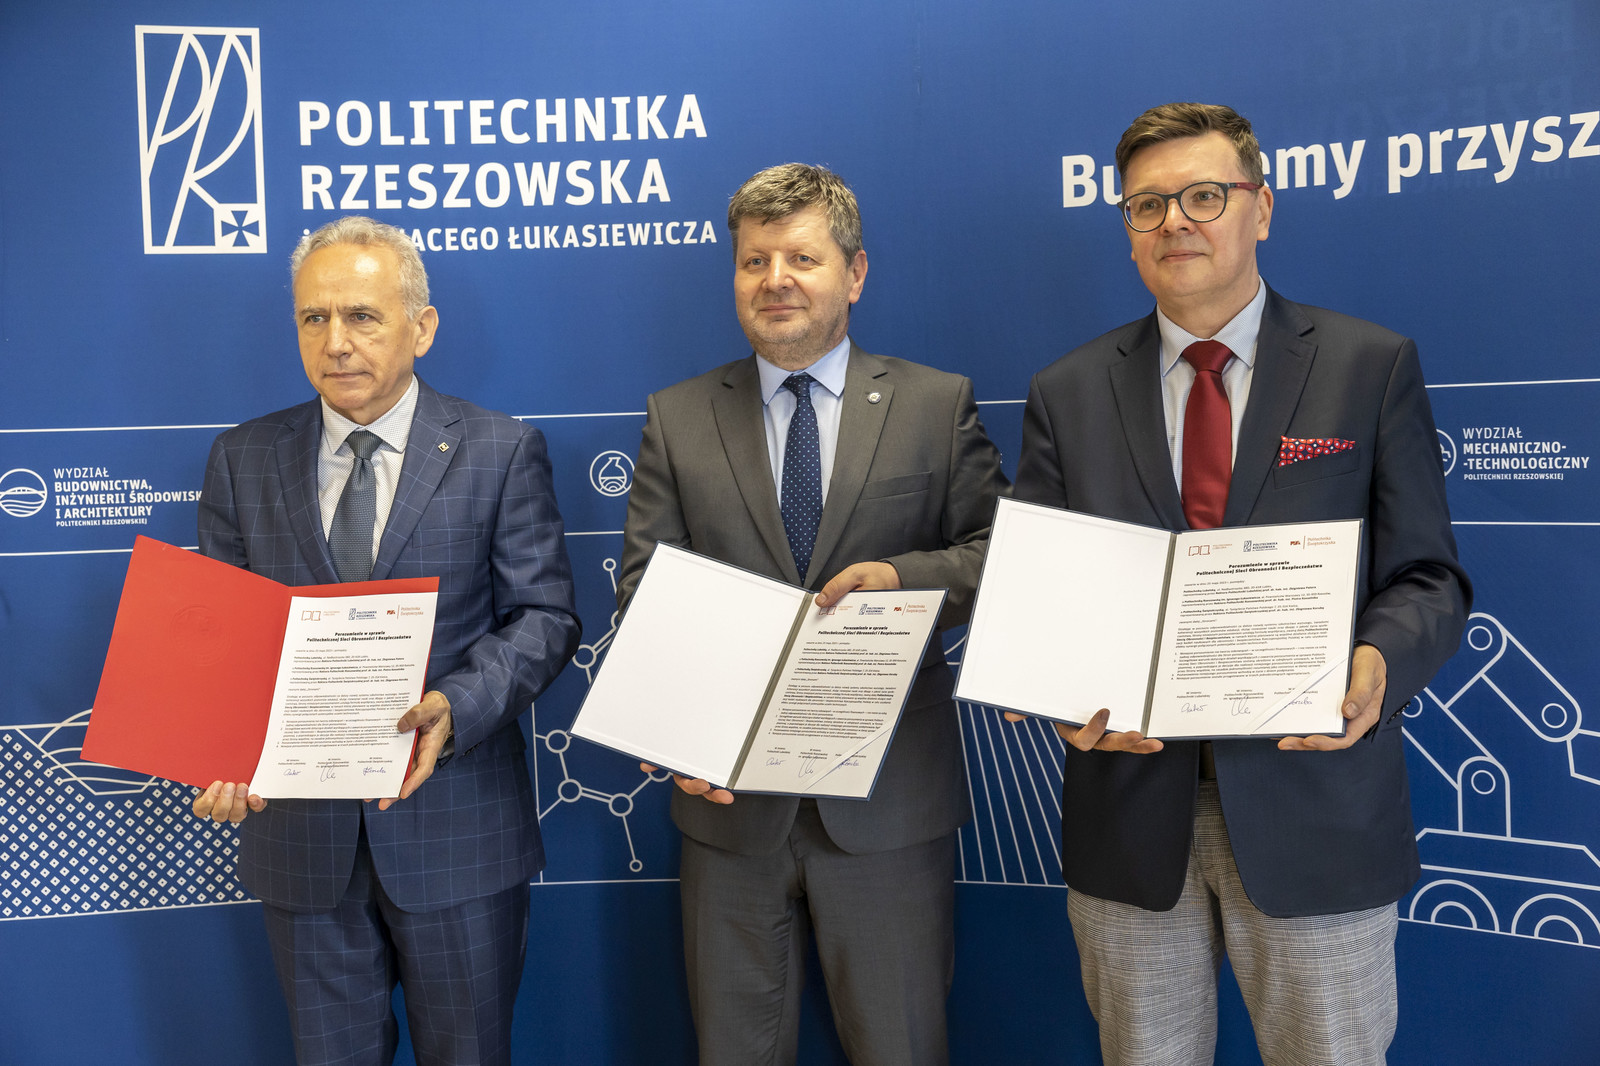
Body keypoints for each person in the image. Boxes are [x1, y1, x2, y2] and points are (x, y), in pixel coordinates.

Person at [1012, 103, 1470, 1065]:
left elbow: (1427, 574)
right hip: (1128, 811)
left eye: (1205, 196)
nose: (1175, 221)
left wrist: (1379, 663)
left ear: (1261, 208)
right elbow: (1040, 591)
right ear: (1127, 227)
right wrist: (1052, 693)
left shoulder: (1369, 366)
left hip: (1317, 807)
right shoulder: (1067, 389)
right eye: (1148, 205)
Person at [618, 163, 1006, 1065]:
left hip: (888, 807)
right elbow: (645, 596)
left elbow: (1002, 557)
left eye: (801, 258)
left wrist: (903, 578)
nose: (775, 280)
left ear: (855, 273)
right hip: (728, 812)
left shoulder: (934, 404)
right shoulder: (678, 417)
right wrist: (675, 727)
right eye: (754, 261)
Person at [190, 215, 580, 1066]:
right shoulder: (241, 459)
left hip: (458, 834)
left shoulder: (500, 450)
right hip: (302, 844)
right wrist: (219, 750)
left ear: (421, 327)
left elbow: (546, 618)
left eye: (362, 315)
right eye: (314, 318)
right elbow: (220, 645)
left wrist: (456, 706)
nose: (336, 341)